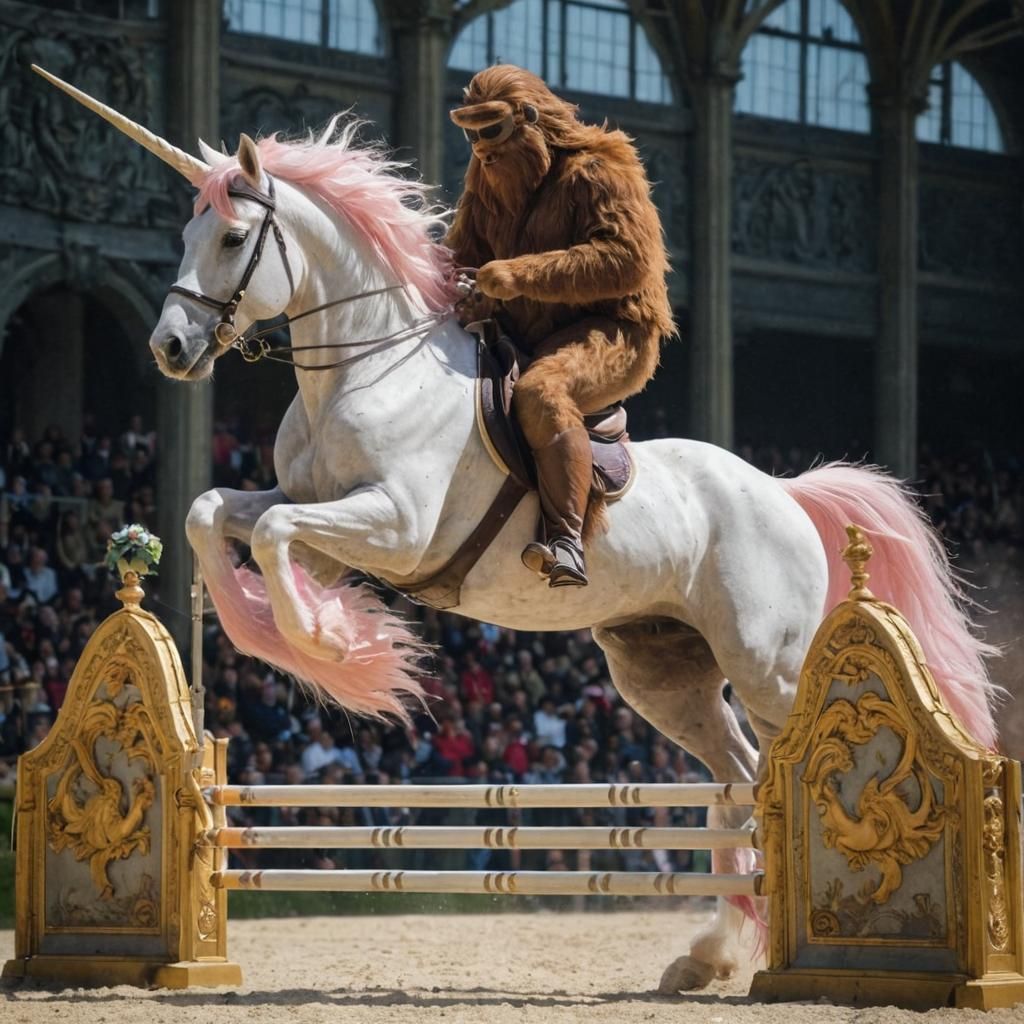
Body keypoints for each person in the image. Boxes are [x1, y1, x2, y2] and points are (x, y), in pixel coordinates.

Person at [446, 64, 674, 587]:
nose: (481, 147)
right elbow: (463, 256)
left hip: (613, 331)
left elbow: (628, 260)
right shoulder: (485, 181)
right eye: (471, 134)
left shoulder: (599, 169)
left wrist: (521, 276)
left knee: (543, 392)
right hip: (522, 330)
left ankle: (567, 539)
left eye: (492, 130)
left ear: (528, 119)